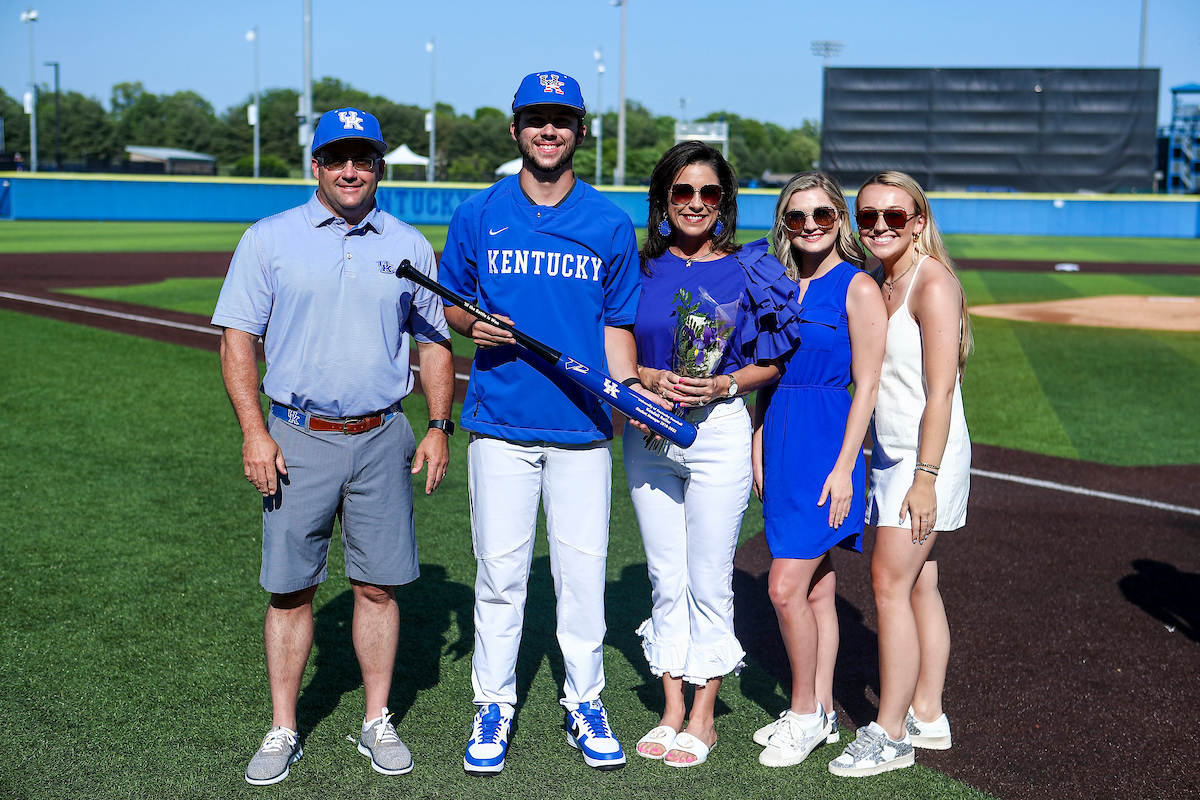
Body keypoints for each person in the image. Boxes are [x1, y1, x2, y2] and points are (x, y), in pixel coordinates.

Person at [212, 107, 455, 786]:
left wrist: (438, 426)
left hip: (383, 434)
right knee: (292, 590)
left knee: (377, 587)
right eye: (336, 158)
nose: (351, 170)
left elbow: (435, 341)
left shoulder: (408, 243)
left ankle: (376, 719)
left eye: (364, 158)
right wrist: (254, 431)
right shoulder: (269, 239)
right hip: (296, 434)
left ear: (379, 166)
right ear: (315, 165)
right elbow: (237, 340)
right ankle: (284, 726)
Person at [438, 71, 648, 776]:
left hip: (584, 429)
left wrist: (628, 399)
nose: (548, 130)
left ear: (580, 130)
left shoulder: (609, 223)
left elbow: (617, 324)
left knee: (582, 579)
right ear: (515, 128)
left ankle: (584, 700)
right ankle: (493, 703)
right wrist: (478, 326)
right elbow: (452, 308)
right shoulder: (478, 214)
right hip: (500, 421)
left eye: (561, 119)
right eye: (536, 118)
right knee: (500, 577)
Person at [625, 141, 802, 768]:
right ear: (663, 199)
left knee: (707, 575)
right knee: (664, 575)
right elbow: (614, 341)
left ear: (724, 200)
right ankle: (672, 706)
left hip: (718, 431)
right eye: (682, 192)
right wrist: (645, 377)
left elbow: (775, 358)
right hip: (648, 433)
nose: (695, 204)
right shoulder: (638, 268)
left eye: (708, 193)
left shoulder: (753, 268)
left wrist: (723, 383)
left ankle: (705, 714)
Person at [828, 170, 972, 777]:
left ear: (918, 221)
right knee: (919, 585)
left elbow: (940, 393)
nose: (879, 226)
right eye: (867, 217)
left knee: (888, 585)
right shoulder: (884, 282)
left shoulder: (930, 284)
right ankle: (928, 716)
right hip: (895, 455)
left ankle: (888, 734)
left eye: (893, 216)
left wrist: (924, 477)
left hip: (923, 460)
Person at [750, 172, 886, 767]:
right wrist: (758, 440)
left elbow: (869, 385)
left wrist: (844, 467)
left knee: (783, 587)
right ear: (785, 223)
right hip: (780, 438)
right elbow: (765, 369)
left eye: (823, 216)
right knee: (818, 587)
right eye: (797, 217)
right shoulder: (778, 284)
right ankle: (824, 709)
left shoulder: (857, 288)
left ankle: (804, 713)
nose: (809, 226)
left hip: (828, 446)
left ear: (840, 221)